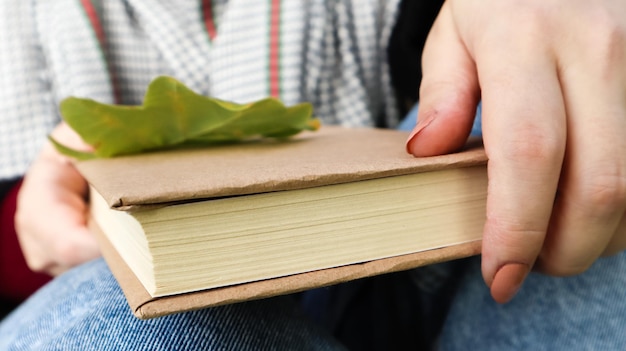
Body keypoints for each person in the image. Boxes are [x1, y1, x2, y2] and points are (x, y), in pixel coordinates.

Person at [1, 0, 625, 350]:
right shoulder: (25, 19)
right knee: (115, 324)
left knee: (565, 111)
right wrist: (44, 210)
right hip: (134, 291)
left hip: (421, 280)